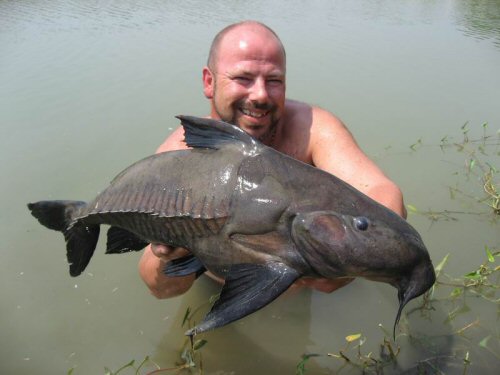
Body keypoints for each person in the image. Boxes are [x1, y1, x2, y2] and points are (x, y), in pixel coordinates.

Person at [138, 21, 406, 299]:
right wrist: (170, 255)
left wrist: (349, 261)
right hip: (218, 288)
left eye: (274, 80)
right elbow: (158, 287)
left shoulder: (312, 128)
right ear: (209, 82)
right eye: (243, 78)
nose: (261, 95)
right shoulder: (178, 156)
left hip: (297, 290)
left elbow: (381, 192)